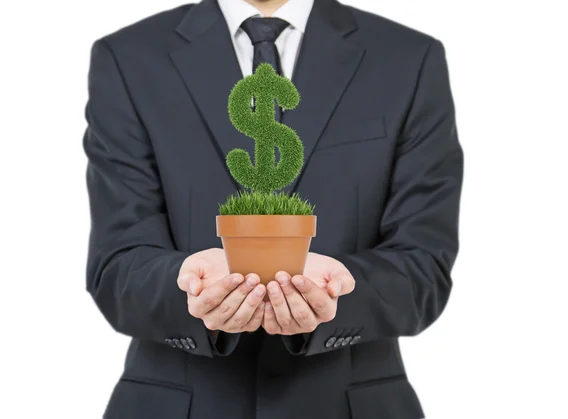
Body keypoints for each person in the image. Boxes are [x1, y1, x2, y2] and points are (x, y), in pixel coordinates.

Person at [83, 0, 463, 417]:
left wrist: (338, 294)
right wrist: (189, 286)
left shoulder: (407, 58)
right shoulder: (129, 57)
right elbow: (116, 266)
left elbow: (423, 265)